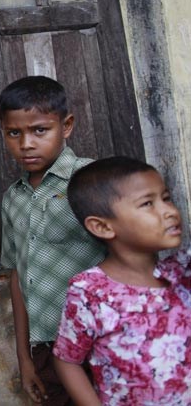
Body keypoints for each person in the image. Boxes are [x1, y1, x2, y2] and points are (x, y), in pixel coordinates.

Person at [0, 76, 106, 405]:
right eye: (14, 133)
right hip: (48, 346)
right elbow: (18, 276)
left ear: (67, 125)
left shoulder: (91, 180)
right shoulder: (12, 198)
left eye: (39, 130)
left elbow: (130, 254)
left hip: (102, 341)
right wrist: (25, 357)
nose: (26, 143)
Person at [53, 157, 191, 404]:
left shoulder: (182, 273)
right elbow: (67, 360)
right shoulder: (90, 291)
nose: (169, 211)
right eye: (148, 203)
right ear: (103, 227)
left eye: (166, 198)